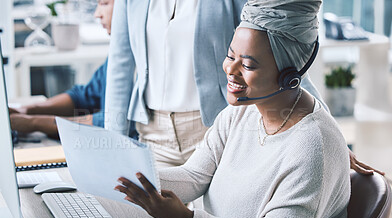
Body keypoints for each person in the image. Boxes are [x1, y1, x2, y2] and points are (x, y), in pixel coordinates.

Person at [114, 1, 351, 218]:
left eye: (248, 65)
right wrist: (126, 175)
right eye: (230, 56)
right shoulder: (240, 112)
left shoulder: (313, 145)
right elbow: (195, 176)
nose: (229, 69)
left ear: (290, 76)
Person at [105, 0, 384, 175]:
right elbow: (119, 65)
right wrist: (112, 145)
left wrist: (331, 135)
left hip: (213, 130)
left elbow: (281, 61)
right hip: (152, 132)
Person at [9, 0, 137, 139]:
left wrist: (35, 123)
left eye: (104, 4)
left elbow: (116, 122)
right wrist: (27, 110)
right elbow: (83, 97)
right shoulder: (118, 53)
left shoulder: (143, 61)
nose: (97, 14)